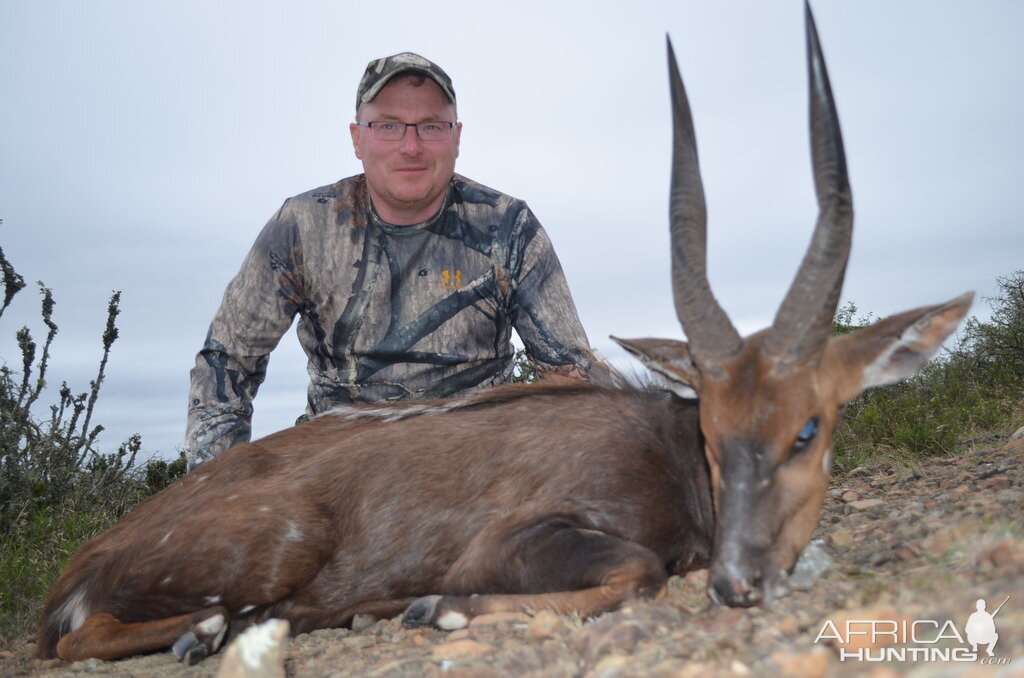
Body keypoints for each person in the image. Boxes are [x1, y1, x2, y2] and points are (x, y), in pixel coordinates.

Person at [183, 52, 606, 470]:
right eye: (388, 126)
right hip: (334, 471)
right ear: (357, 138)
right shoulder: (302, 225)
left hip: (478, 469)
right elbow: (227, 362)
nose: (411, 146)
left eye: (431, 126)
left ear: (456, 137)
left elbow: (570, 378)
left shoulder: (509, 226)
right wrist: (216, 487)